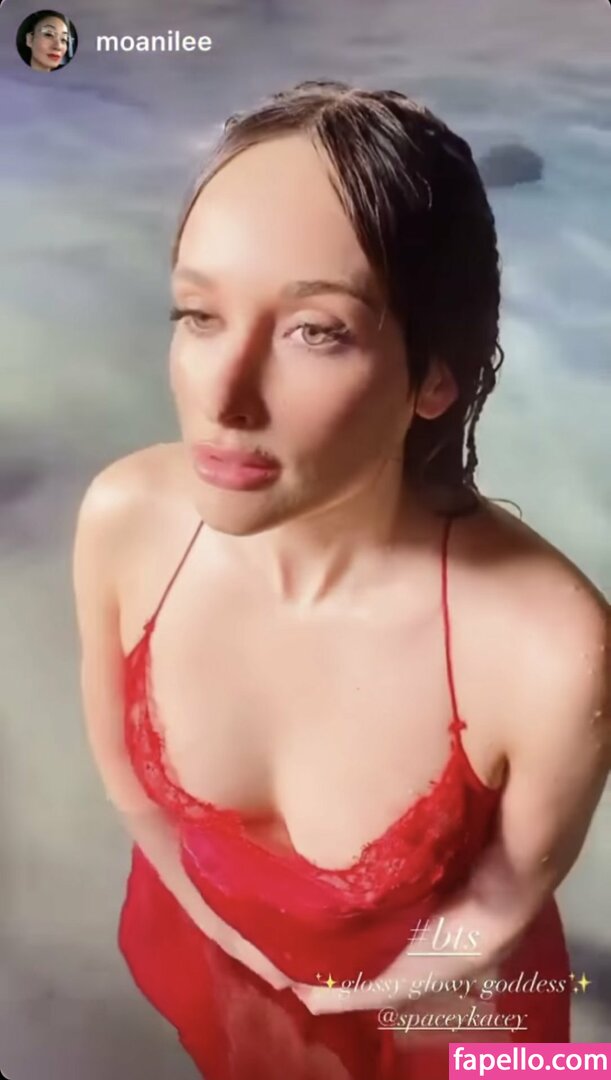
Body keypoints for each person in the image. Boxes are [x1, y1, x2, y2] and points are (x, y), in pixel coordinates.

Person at [73, 80, 610, 1079]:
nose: (223, 397)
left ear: (433, 376)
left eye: (314, 330)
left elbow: (502, 895)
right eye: (198, 314)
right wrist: (231, 949)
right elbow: (126, 786)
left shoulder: (546, 648)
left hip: (443, 1009)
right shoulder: (124, 522)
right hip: (205, 939)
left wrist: (349, 998)